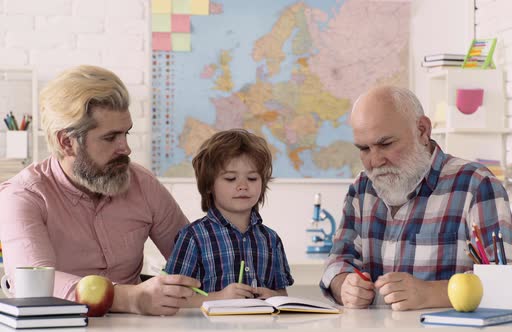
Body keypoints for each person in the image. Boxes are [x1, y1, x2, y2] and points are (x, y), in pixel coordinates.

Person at [0, 65, 200, 316]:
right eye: (110, 137)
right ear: (67, 142)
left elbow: (197, 262)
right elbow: (34, 287)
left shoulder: (143, 184)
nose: (125, 149)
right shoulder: (22, 196)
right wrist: (130, 298)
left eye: (126, 134)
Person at [320, 86, 512, 311]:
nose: (375, 160)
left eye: (385, 144)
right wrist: (344, 285)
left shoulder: (476, 185)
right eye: (364, 148)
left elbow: (505, 281)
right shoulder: (361, 188)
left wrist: (430, 293)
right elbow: (336, 262)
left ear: (422, 130)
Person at [164, 129, 293, 307]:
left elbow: (282, 293)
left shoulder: (271, 239)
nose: (242, 186)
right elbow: (172, 298)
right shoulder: (193, 237)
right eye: (231, 178)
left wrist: (271, 296)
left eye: (252, 178)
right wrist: (219, 297)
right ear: (209, 185)